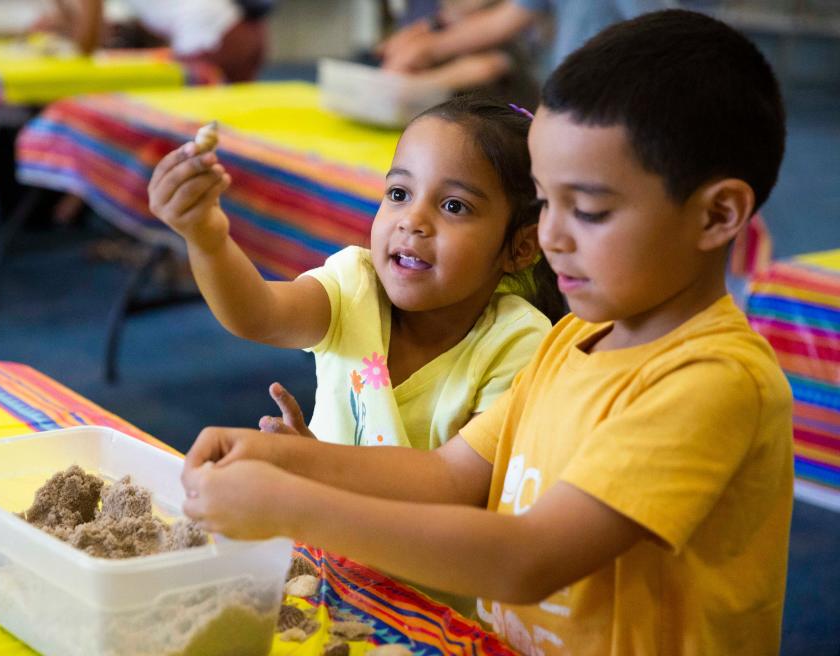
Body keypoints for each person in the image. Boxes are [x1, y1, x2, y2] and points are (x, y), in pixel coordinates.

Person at [178, 10, 793, 655]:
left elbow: (528, 560)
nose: (551, 235)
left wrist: (291, 504)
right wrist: (276, 456)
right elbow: (448, 477)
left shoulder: (711, 381)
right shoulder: (572, 339)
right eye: (548, 203)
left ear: (719, 214)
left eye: (587, 210)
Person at [148, 96, 562, 451]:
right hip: (322, 535)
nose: (412, 220)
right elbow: (256, 314)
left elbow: (458, 487)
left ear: (521, 247)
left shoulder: (518, 344)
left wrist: (321, 467)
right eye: (399, 194)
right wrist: (206, 239)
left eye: (454, 206)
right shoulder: (354, 284)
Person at [380, 0, 671, 79]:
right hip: (565, 87)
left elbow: (660, 31)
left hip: (609, 94)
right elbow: (505, 20)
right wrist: (429, 48)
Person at [42, 0, 269, 82]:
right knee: (232, 136)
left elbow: (88, 43)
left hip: (211, 39)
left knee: (198, 139)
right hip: (248, 31)